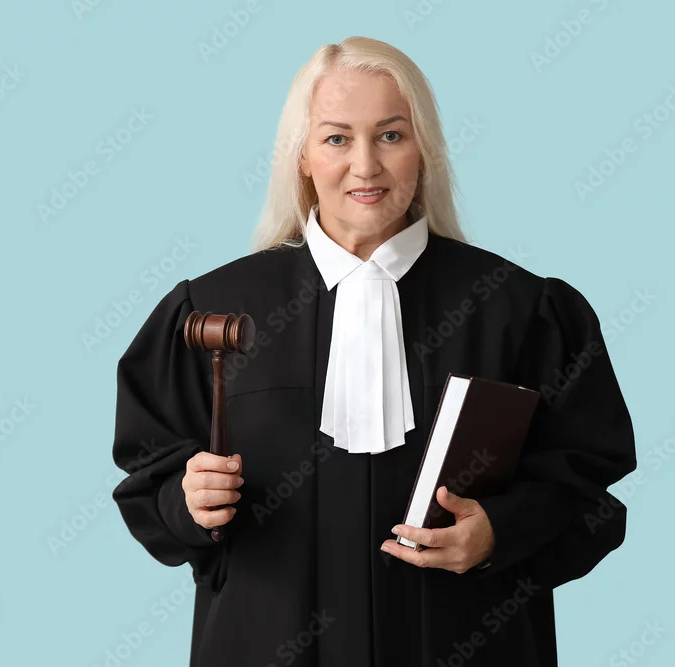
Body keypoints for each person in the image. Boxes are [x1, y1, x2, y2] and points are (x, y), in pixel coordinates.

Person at [111, 36, 637, 667]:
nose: (365, 166)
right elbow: (149, 479)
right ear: (302, 156)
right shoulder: (212, 311)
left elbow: (588, 489)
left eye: (391, 135)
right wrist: (188, 501)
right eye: (337, 138)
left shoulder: (521, 310)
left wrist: (502, 530)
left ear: (425, 150)